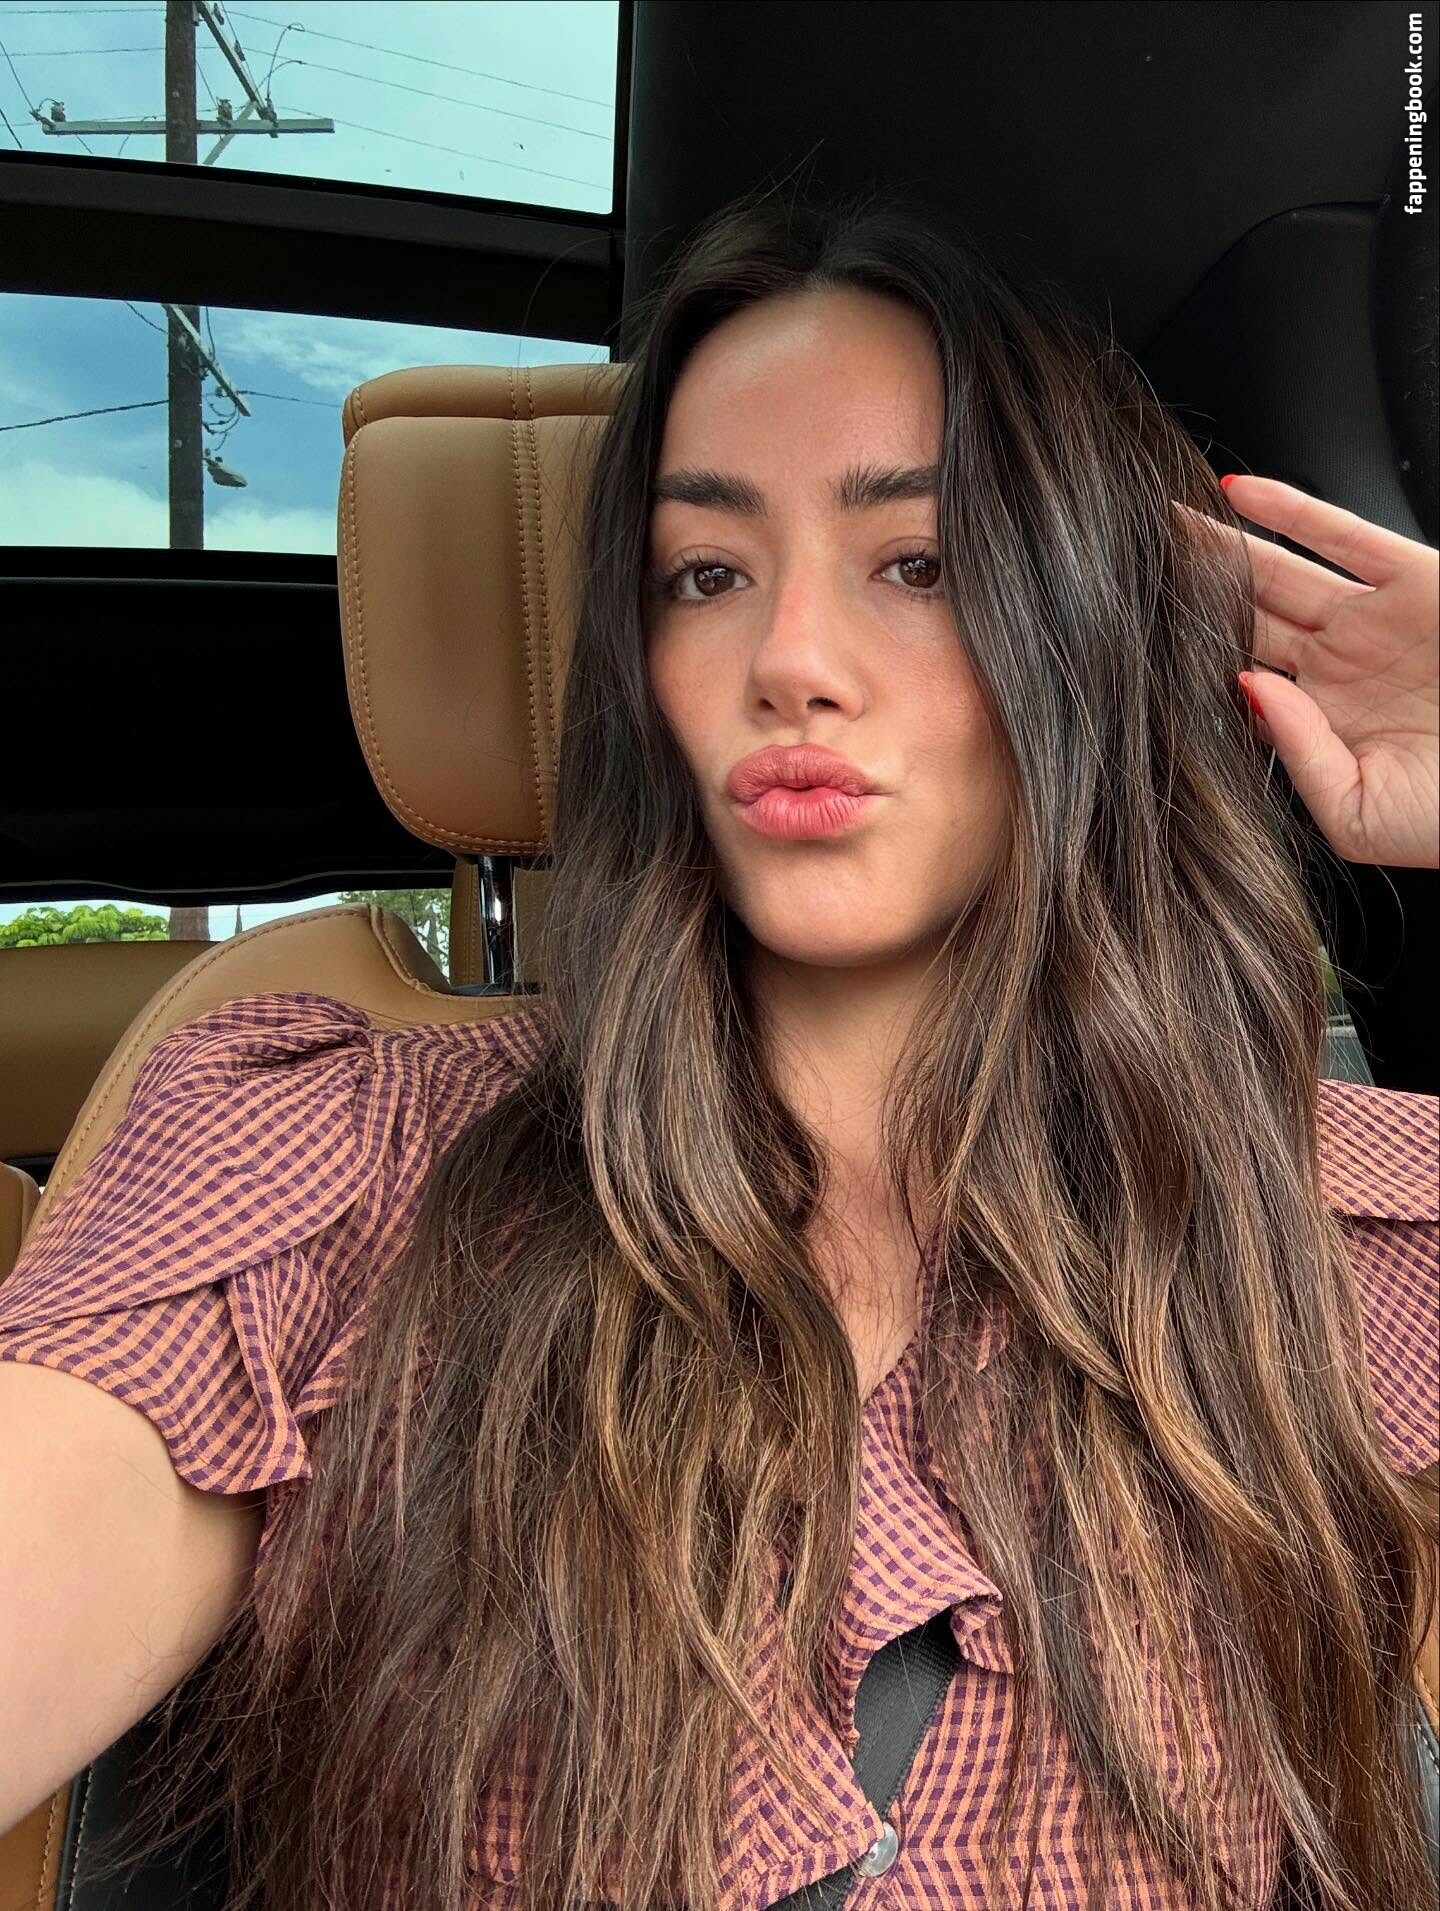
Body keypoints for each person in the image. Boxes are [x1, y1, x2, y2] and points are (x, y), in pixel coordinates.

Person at [1, 188, 1437, 1911]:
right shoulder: (324, 1156)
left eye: (921, 564)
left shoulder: (1354, 1221)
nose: (790, 662)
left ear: (1083, 631)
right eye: (707, 575)